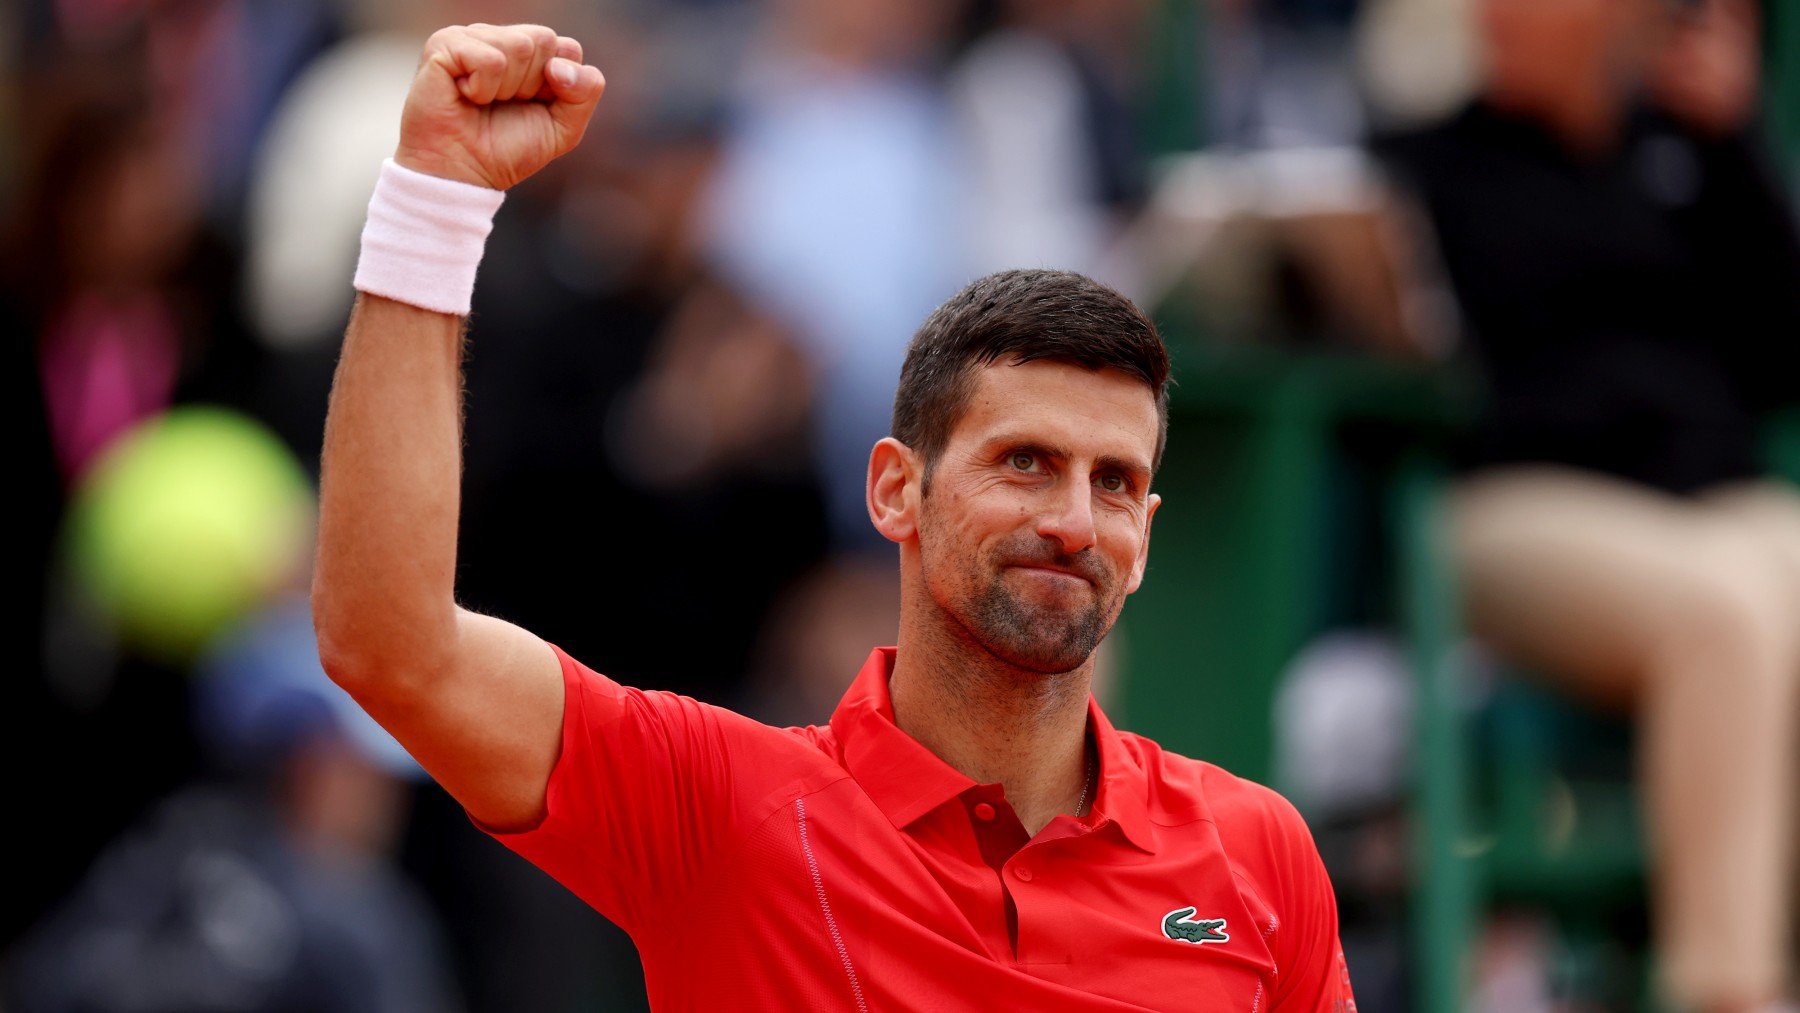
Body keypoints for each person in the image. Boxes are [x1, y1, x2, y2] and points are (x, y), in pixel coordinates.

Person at [312, 23, 1358, 1010]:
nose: (1076, 521)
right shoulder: (721, 805)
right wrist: (436, 200)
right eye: (1026, 463)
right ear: (896, 489)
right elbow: (390, 642)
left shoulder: (1259, 850)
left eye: (1116, 481)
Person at [1376, 0, 1800, 1009]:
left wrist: (1737, 141)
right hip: (1518, 510)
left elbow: (1783, 353)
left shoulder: (1689, 153)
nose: (1497, 15)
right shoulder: (1427, 166)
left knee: (1765, 579)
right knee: (1727, 615)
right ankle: (1729, 986)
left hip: (1715, 507)